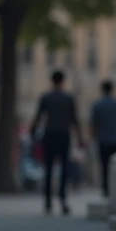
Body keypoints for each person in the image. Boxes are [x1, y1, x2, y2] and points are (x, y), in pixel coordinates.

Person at [31, 70, 84, 215]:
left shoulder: (46, 97)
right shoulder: (69, 98)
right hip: (64, 135)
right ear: (63, 81)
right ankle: (62, 199)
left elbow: (38, 116)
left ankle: (47, 201)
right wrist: (80, 138)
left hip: (49, 134)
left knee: (48, 167)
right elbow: (75, 119)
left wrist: (32, 131)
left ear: (52, 80)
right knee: (64, 168)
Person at [90, 80, 116, 197]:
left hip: (103, 141)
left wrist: (93, 138)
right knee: (115, 167)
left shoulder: (97, 105)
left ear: (102, 89)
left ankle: (106, 190)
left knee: (104, 167)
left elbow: (94, 125)